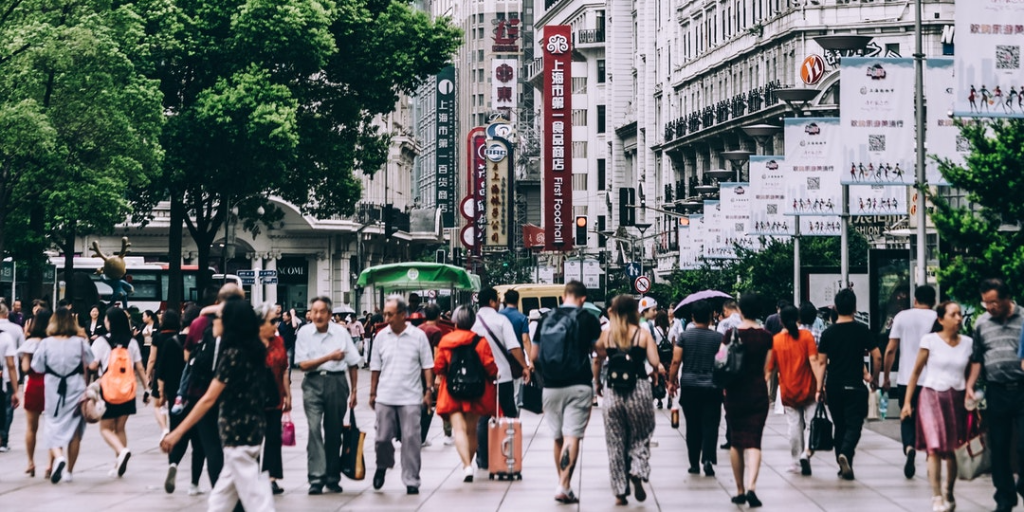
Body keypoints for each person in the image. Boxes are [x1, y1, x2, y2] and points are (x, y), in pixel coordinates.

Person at [161, 299, 274, 511]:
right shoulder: (251, 350)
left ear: (231, 322)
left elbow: (208, 399)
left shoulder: (233, 355)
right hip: (247, 432)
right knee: (220, 501)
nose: (213, 323)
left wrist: (177, 433)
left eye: (218, 318)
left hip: (238, 435)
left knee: (257, 502)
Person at [530, 281, 602, 504]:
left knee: (558, 437)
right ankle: (563, 484)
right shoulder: (588, 318)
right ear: (583, 299)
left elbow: (534, 356)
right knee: (573, 436)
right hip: (579, 384)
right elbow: (599, 350)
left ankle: (563, 483)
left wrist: (545, 377)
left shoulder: (546, 319)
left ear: (563, 296)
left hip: (550, 387)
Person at [901, 301, 973, 512]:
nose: (958, 318)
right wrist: (907, 402)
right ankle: (936, 496)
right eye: (953, 314)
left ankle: (949, 490)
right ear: (941, 319)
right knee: (934, 448)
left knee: (951, 450)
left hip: (957, 398)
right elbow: (915, 373)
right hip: (931, 397)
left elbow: (970, 375)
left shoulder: (968, 343)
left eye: (960, 314)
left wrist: (972, 397)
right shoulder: (929, 341)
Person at [592, 295, 661, 506]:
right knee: (641, 435)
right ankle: (637, 471)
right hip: (638, 388)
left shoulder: (607, 334)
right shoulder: (643, 334)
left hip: (614, 391)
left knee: (615, 442)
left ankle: (620, 491)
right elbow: (655, 362)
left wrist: (598, 383)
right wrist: (655, 373)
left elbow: (597, 358)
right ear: (634, 312)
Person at [967, 279, 1024, 512]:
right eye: (985, 302)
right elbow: (977, 358)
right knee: (998, 446)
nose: (989, 307)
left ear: (1007, 298)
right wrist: (970, 385)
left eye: (993, 302)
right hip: (996, 390)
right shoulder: (981, 323)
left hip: (1022, 389)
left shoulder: (1023, 319)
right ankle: (1004, 497)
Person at [295, 296, 361, 495]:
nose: (317, 315)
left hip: (336, 382)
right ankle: (316, 477)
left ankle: (332, 477)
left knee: (333, 431)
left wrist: (355, 390)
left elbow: (353, 362)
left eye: (322, 311)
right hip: (312, 383)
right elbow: (303, 365)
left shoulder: (341, 333)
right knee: (314, 429)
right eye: (314, 311)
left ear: (330, 315)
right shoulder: (304, 333)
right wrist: (329, 357)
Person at [369, 295, 434, 494]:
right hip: (385, 396)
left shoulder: (418, 336)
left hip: (411, 397)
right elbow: (375, 367)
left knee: (411, 439)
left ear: (403, 314)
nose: (386, 318)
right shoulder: (381, 337)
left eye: (390, 314)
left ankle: (411, 480)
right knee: (381, 438)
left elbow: (427, 366)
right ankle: (383, 466)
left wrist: (429, 390)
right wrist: (372, 392)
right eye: (385, 314)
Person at [817, 288, 881, 481]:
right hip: (855, 385)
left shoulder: (828, 333)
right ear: (855, 307)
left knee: (840, 425)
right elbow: (877, 355)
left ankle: (842, 462)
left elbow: (821, 363)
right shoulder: (862, 330)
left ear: (835, 307)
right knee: (854, 424)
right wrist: (874, 377)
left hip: (834, 385)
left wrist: (819, 388)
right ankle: (846, 453)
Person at [433, 306, 498, 482]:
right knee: (471, 431)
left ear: (454, 321)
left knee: (459, 429)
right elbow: (490, 366)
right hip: (476, 392)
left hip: (452, 392)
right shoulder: (480, 341)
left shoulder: (446, 341)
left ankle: (467, 466)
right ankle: (469, 463)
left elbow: (439, 367)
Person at [30, 307, 95, 484]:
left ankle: (58, 457)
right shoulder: (80, 343)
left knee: (52, 425)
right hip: (76, 388)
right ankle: (69, 472)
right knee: (75, 431)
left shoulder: (46, 343)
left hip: (53, 389)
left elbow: (38, 367)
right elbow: (92, 362)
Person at [721, 292, 773, 508]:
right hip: (757, 392)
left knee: (736, 442)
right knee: (754, 441)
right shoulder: (766, 336)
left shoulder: (730, 335)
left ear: (740, 310)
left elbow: (720, 362)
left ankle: (740, 489)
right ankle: (752, 487)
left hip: (734, 393)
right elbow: (767, 370)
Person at [472, 288, 530, 470]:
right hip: (502, 375)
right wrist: (524, 366)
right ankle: (508, 453)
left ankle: (483, 459)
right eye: (496, 300)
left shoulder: (472, 321)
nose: (498, 303)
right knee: (510, 414)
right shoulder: (500, 320)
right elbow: (514, 347)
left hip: (479, 376)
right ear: (490, 301)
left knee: (483, 416)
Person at [883, 285, 938, 479]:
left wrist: (887, 375)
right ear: (934, 300)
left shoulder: (901, 317)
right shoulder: (937, 318)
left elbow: (891, 349)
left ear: (915, 299)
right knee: (930, 420)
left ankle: (909, 447)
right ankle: (931, 455)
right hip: (932, 381)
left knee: (907, 417)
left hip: (907, 379)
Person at [89, 306, 148, 478]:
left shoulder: (100, 342)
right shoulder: (132, 342)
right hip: (128, 390)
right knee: (120, 428)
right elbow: (140, 368)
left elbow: (92, 365)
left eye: (106, 319)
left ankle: (122, 452)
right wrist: (147, 389)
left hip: (108, 389)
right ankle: (118, 462)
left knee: (105, 428)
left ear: (111, 322)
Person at [767, 305, 824, 476]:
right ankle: (806, 452)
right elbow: (814, 361)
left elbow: (769, 370)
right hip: (809, 387)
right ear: (798, 319)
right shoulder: (806, 336)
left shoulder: (776, 340)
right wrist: (820, 386)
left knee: (794, 425)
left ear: (781, 321)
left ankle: (795, 459)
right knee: (811, 424)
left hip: (788, 390)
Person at [668, 300, 723, 476]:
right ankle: (707, 459)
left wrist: (671, 381)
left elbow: (676, 361)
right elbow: (722, 361)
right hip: (712, 387)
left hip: (690, 386)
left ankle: (693, 463)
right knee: (711, 424)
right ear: (710, 317)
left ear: (692, 317)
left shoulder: (684, 337)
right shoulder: (718, 338)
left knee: (692, 425)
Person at [159, 308, 206, 495]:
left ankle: (173, 464)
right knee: (198, 442)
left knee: (177, 435)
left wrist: (161, 395)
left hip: (175, 398)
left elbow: (161, 373)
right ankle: (194, 484)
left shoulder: (171, 342)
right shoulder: (202, 343)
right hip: (197, 397)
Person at [256, 303, 291, 495]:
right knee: (253, 441)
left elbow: (284, 367)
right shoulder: (250, 344)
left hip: (275, 397)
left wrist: (287, 394)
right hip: (254, 401)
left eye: (276, 321)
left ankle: (271, 478)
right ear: (260, 323)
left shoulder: (278, 342)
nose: (275, 325)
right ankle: (252, 477)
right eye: (271, 321)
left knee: (273, 439)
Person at [17, 308, 53, 478]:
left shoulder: (31, 343)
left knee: (31, 428)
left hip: (34, 383)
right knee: (53, 427)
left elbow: (25, 368)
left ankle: (31, 463)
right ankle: (50, 465)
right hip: (52, 385)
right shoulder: (54, 342)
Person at [418, 304, 446, 445]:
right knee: (429, 403)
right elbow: (437, 354)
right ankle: (422, 436)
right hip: (429, 372)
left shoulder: (418, 329)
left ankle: (417, 435)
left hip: (417, 371)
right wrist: (438, 375)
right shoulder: (436, 331)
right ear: (438, 316)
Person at [499, 289, 532, 408]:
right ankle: (513, 422)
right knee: (516, 394)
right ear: (518, 301)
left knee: (500, 394)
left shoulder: (499, 316)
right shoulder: (522, 318)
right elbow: (525, 340)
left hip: (500, 358)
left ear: (505, 300)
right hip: (517, 360)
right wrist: (530, 361)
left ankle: (500, 421)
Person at [648, 310, 672, 409]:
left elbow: (653, 344)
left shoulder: (655, 330)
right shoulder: (669, 329)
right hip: (669, 357)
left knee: (659, 378)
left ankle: (660, 400)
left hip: (659, 357)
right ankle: (670, 397)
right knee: (669, 378)